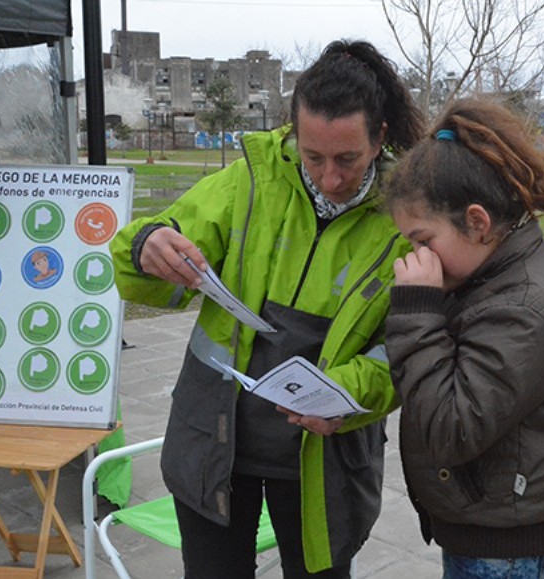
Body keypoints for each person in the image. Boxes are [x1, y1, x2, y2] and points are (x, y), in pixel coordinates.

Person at [109, 40, 424, 578]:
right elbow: (151, 264)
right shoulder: (251, 181)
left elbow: (410, 346)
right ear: (293, 136)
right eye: (313, 156)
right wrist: (147, 245)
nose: (329, 178)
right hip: (214, 443)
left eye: (347, 159)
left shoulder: (409, 215)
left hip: (323, 461)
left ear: (380, 138)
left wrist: (349, 393)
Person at [383, 98, 544, 579]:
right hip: (494, 528)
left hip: (506, 549)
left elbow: (450, 428)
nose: (416, 256)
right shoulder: (493, 276)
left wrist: (417, 310)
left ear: (477, 223)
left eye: (423, 241)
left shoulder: (520, 309)